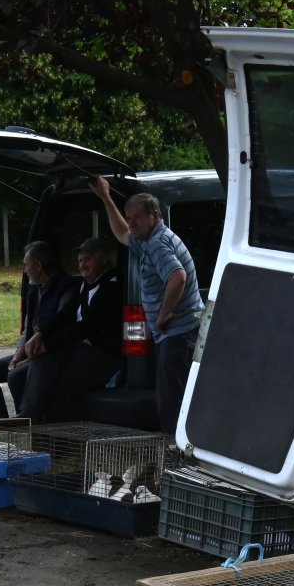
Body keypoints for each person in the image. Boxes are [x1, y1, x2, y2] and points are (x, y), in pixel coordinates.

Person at [92, 178, 202, 432]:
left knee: (171, 402)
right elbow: (121, 234)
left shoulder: (157, 243)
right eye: (129, 217)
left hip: (178, 334)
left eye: (136, 218)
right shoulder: (146, 237)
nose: (131, 223)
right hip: (176, 335)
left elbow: (177, 276)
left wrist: (163, 315)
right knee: (171, 397)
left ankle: (175, 457)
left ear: (154, 215)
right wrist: (105, 197)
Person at [17, 238, 124, 423]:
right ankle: (27, 419)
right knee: (31, 369)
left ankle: (39, 426)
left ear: (102, 259)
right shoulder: (85, 283)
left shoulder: (112, 286)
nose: (82, 265)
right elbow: (66, 315)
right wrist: (40, 334)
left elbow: (85, 327)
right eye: (80, 260)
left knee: (54, 384)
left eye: (87, 259)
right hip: (83, 351)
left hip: (103, 356)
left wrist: (47, 345)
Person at [0, 241, 71, 421]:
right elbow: (29, 326)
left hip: (49, 353)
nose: (25, 270)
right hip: (30, 352)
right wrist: (19, 351)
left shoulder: (65, 288)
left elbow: (61, 328)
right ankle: (1, 428)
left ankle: (29, 424)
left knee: (15, 376)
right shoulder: (35, 289)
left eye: (26, 265)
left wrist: (27, 358)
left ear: (38, 265)